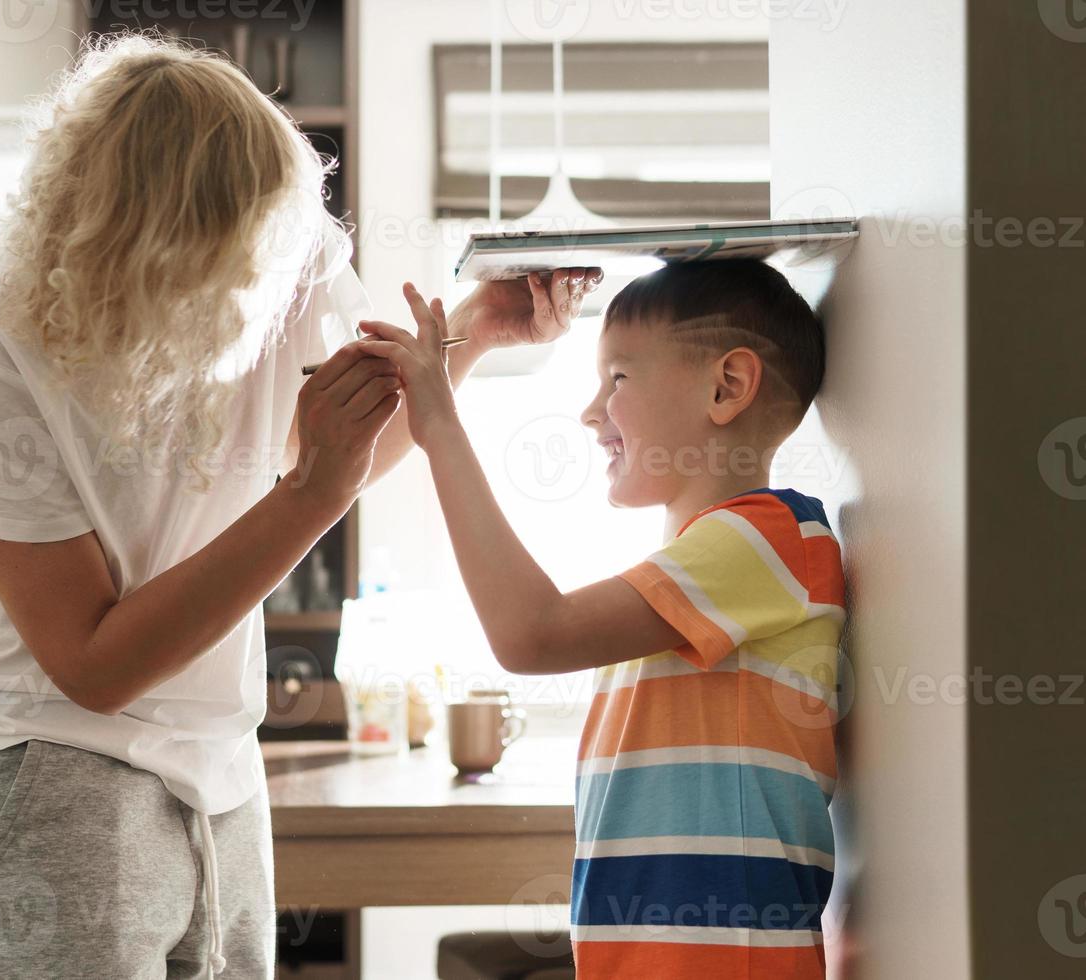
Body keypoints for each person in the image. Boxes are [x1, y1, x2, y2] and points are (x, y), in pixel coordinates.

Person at [0, 31, 599, 979]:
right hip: (34, 758)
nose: (265, 285)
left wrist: (468, 338)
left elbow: (330, 453)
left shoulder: (272, 253)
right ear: (133, 233)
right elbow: (91, 664)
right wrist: (310, 494)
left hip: (215, 758)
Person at [359, 259, 845, 978]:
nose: (591, 412)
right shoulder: (688, 580)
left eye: (617, 379)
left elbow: (531, 633)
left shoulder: (770, 537)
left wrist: (440, 426)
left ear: (727, 386)